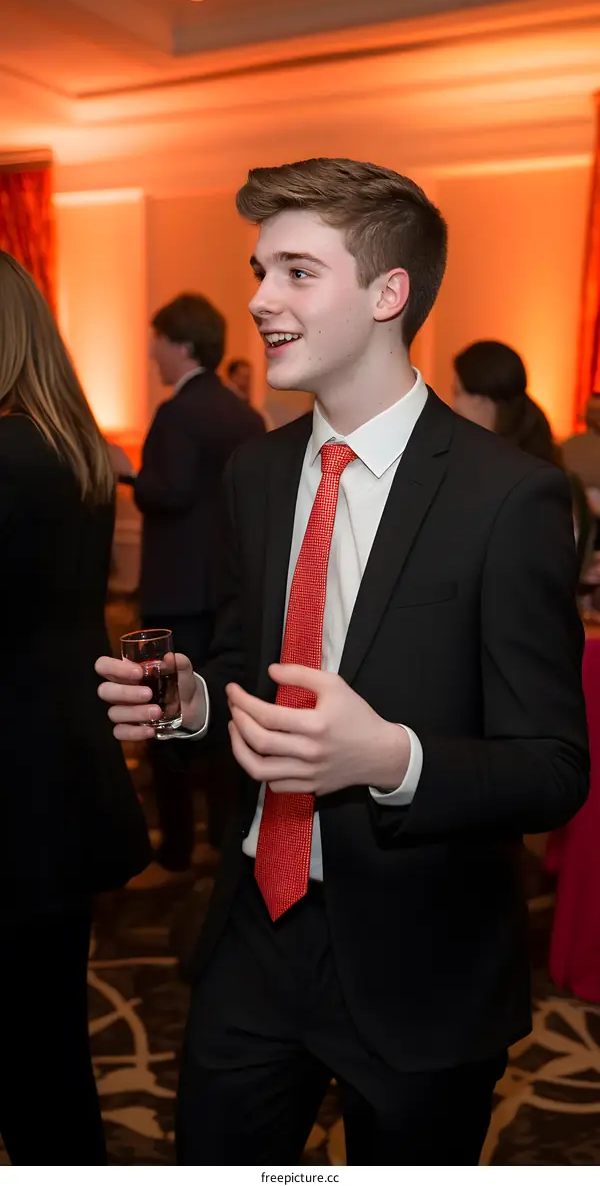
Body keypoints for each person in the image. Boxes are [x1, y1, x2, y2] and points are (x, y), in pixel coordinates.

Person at [96, 158, 589, 1166]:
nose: (258, 299)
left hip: (424, 954)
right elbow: (241, 663)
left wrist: (389, 757)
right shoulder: (255, 472)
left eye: (296, 271)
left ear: (386, 292)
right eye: (259, 270)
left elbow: (553, 768)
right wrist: (193, 702)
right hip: (255, 928)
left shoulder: (510, 496)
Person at [0, 251, 150, 1165]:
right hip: (62, 770)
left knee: (29, 1056)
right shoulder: (79, 450)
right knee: (50, 1044)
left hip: (11, 788)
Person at [133, 294, 265, 885]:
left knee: (165, 718)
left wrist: (128, 475)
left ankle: (177, 849)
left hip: (176, 593)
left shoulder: (176, 414)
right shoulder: (245, 415)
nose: (152, 352)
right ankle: (224, 837)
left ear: (182, 345)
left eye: (158, 340)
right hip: (231, 592)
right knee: (225, 713)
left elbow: (171, 491)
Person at [453, 340, 594, 574]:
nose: (454, 406)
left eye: (457, 393)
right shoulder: (541, 470)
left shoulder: (512, 481)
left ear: (482, 401)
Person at [225, 356, 274, 429]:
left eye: (249, 378)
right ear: (233, 377)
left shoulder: (249, 408)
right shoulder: (225, 404)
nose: (247, 383)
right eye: (245, 377)